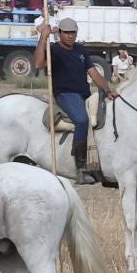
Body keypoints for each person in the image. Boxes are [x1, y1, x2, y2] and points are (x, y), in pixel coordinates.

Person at [35, 16, 118, 185]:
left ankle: (103, 164)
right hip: (65, 94)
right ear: (60, 33)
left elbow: (94, 73)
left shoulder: (81, 50)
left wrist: (108, 90)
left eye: (73, 32)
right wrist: (43, 38)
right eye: (66, 33)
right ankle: (80, 168)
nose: (70, 36)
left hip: (84, 94)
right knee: (82, 120)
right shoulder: (53, 49)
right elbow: (38, 64)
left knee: (106, 115)